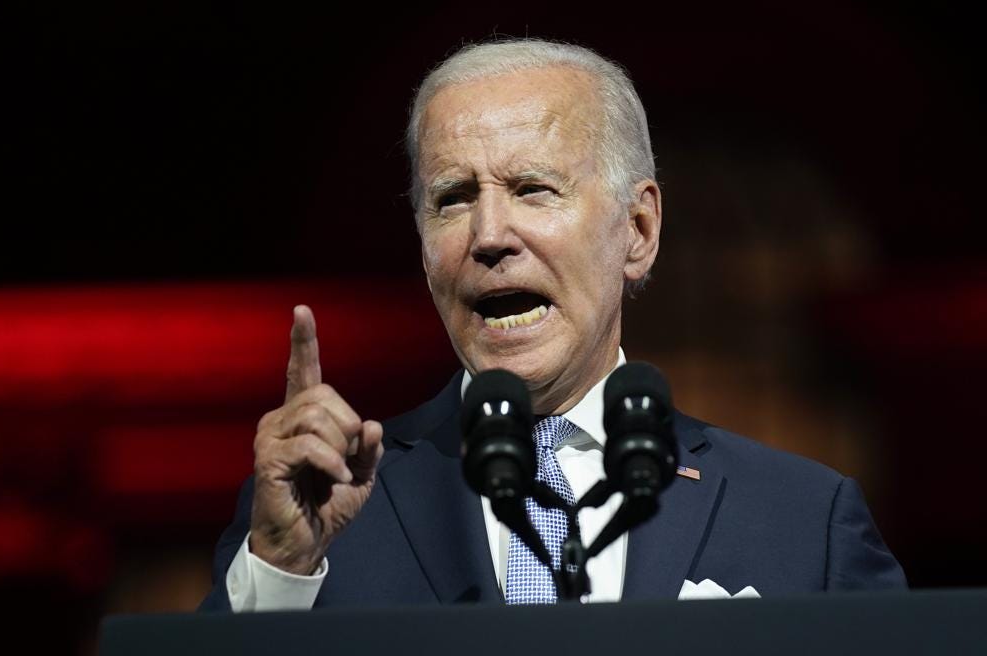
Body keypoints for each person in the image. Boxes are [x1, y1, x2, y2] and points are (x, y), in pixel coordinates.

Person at [200, 38, 906, 612]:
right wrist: (283, 568)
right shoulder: (322, 509)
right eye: (452, 198)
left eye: (532, 189)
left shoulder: (802, 520)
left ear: (638, 228)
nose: (489, 234)